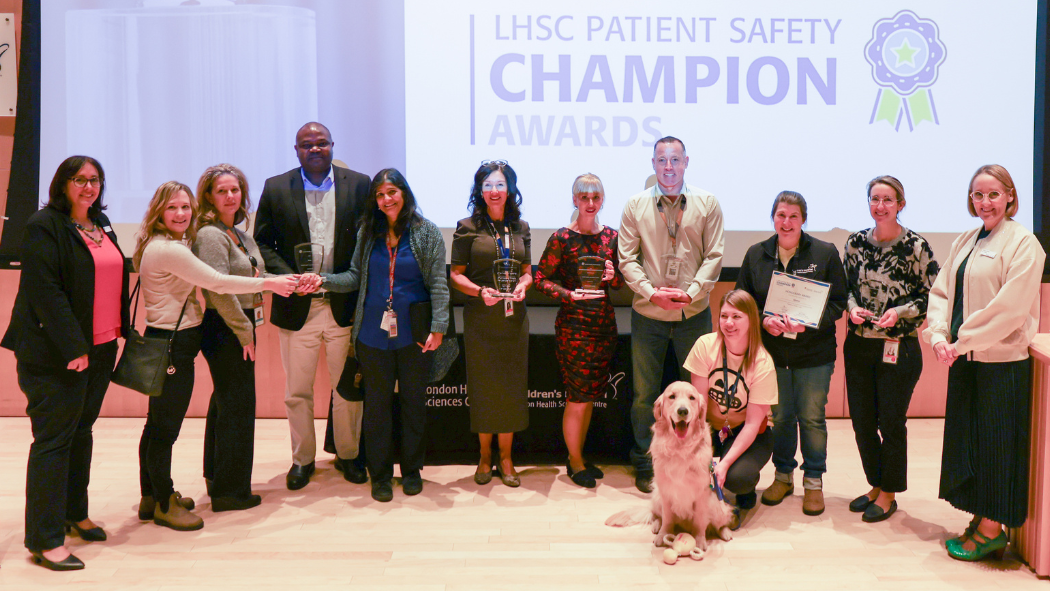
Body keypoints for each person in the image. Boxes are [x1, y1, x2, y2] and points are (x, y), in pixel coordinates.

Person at [135, 181, 299, 531]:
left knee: (158, 424)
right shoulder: (171, 250)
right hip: (172, 344)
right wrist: (270, 285)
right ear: (158, 212)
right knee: (165, 429)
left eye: (184, 207)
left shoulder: (168, 244)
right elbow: (218, 282)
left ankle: (153, 497)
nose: (181, 214)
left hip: (170, 340)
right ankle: (163, 502)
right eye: (172, 208)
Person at [1, 156, 128, 570]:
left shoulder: (101, 224)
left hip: (101, 347)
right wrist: (74, 347)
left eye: (94, 180)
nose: (88, 187)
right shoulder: (44, 226)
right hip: (57, 354)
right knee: (54, 442)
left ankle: (74, 514)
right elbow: (45, 292)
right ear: (63, 183)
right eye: (79, 180)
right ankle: (44, 539)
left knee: (82, 432)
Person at [923, 165, 1045, 561]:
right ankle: (980, 515)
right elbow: (942, 292)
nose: (985, 202)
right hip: (964, 361)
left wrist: (962, 341)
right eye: (978, 194)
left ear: (1010, 196)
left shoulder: (1025, 244)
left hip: (1001, 364)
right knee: (968, 443)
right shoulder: (966, 239)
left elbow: (1008, 310)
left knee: (996, 447)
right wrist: (939, 335)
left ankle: (993, 529)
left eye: (993, 194)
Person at [315, 169, 457, 502]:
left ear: (404, 193)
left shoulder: (427, 232)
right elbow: (353, 277)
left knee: (413, 405)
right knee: (376, 407)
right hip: (372, 336)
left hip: (414, 337)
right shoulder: (368, 233)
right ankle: (379, 474)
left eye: (391, 192)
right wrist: (321, 280)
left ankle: (411, 470)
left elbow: (439, 285)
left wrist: (438, 328)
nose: (386, 199)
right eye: (379, 195)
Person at [254, 121, 371, 490]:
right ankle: (302, 460)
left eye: (322, 143)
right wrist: (290, 278)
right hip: (297, 306)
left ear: (333, 145)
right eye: (307, 145)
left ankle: (348, 456)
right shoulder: (276, 187)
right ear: (296, 150)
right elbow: (263, 244)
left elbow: (367, 242)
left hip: (343, 305)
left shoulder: (359, 185)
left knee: (346, 389)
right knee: (297, 391)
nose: (315, 149)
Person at [618, 136, 725, 493]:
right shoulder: (635, 205)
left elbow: (714, 256)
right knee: (646, 394)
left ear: (686, 162)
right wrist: (652, 293)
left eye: (675, 160)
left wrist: (691, 293)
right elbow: (626, 260)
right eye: (662, 160)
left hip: (692, 315)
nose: (668, 167)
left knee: (697, 394)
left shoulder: (707, 203)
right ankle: (647, 463)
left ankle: (696, 462)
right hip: (648, 313)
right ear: (653, 163)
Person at [735, 191, 847, 516]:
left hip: (815, 353)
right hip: (771, 354)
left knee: (811, 418)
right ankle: (783, 476)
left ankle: (813, 482)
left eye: (793, 216)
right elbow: (741, 300)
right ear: (773, 218)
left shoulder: (824, 253)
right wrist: (763, 320)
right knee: (781, 418)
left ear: (803, 220)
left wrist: (808, 324)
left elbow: (838, 302)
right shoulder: (756, 254)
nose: (786, 222)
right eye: (781, 215)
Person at [843, 176, 939, 523]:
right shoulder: (855, 243)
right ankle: (876, 483)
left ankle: (889, 492)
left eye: (887, 199)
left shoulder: (916, 246)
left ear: (900, 203)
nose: (880, 206)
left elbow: (931, 297)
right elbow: (847, 288)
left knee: (891, 422)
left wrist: (898, 312)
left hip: (899, 347)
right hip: (859, 346)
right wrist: (852, 307)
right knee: (862, 422)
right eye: (874, 199)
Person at [534, 173, 622, 489]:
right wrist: (568, 294)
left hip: (603, 327)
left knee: (589, 397)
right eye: (583, 197)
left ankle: (579, 456)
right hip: (573, 328)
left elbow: (621, 283)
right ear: (574, 200)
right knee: (577, 398)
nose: (589, 203)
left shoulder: (612, 237)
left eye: (595, 198)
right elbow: (540, 279)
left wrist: (613, 274)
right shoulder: (561, 238)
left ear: (602, 201)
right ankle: (574, 462)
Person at [192, 164, 272, 511]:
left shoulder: (238, 232)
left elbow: (255, 275)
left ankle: (217, 479)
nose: (230, 196)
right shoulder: (210, 234)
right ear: (208, 196)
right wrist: (243, 331)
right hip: (225, 327)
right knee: (237, 407)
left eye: (235, 190)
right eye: (222, 190)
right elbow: (218, 290)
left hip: (239, 325)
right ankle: (230, 492)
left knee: (226, 403)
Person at [449, 160, 532, 487]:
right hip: (481, 318)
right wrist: (479, 291)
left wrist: (526, 284)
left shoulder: (521, 227)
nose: (494, 191)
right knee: (484, 387)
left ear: (509, 188)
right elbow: (455, 275)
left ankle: (507, 457)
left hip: (514, 321)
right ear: (479, 190)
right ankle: (485, 455)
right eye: (487, 185)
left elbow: (527, 270)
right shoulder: (467, 226)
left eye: (500, 185)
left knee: (511, 386)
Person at [683, 290, 777, 530]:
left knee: (737, 477)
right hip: (710, 427)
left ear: (751, 321)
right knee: (687, 462)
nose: (728, 323)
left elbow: (753, 424)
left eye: (737, 316)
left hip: (749, 432)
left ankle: (744, 492)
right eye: (724, 315)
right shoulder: (705, 346)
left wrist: (722, 466)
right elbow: (698, 408)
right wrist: (699, 451)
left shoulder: (763, 362)